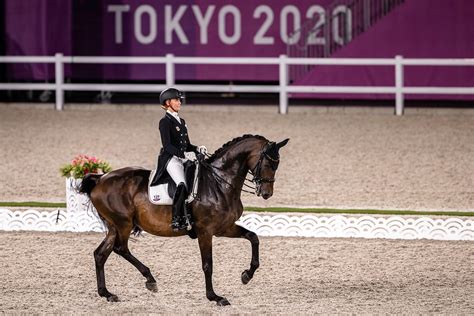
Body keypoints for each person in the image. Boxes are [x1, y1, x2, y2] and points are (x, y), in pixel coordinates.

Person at [151, 88, 207, 231]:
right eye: (176, 100)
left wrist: (196, 149)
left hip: (181, 157)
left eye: (179, 99)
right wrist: (184, 155)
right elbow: (167, 146)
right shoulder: (164, 122)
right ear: (168, 102)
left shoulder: (181, 121)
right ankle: (177, 218)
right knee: (181, 183)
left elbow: (186, 145)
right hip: (170, 159)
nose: (179, 102)